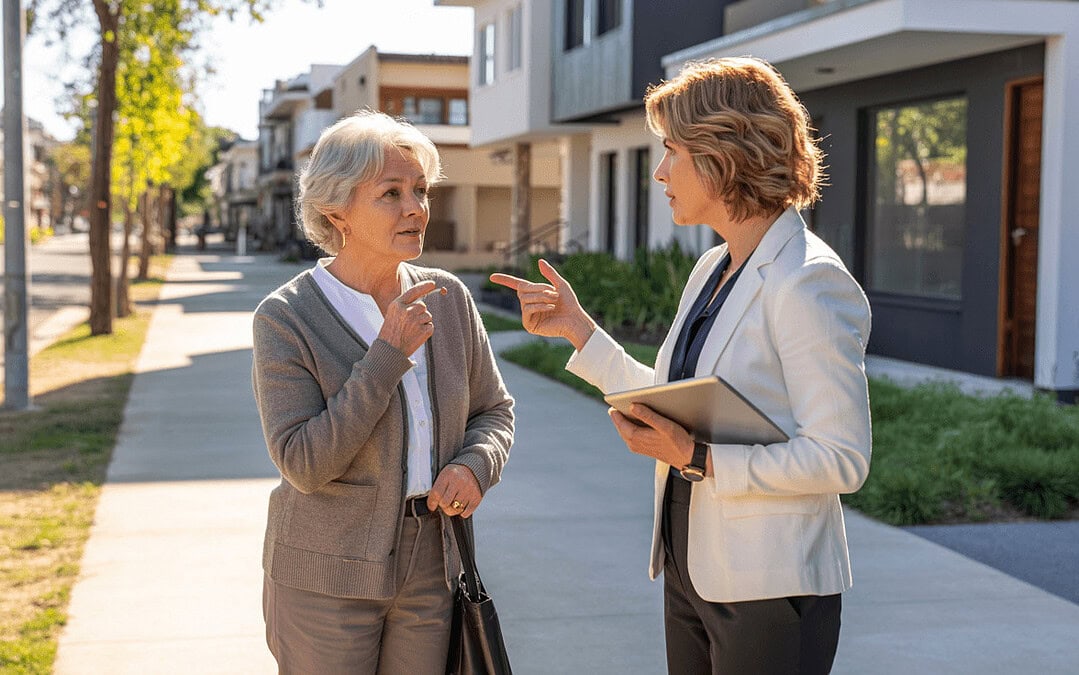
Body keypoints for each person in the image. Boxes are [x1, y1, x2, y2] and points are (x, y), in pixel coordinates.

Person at [491, 57, 871, 674]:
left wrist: (698, 457)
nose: (661, 172)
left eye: (672, 151)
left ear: (724, 154)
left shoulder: (808, 282)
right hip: (692, 565)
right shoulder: (710, 269)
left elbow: (842, 458)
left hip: (770, 589)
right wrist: (578, 330)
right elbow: (679, 400)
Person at [252, 110, 514, 673]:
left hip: (432, 563)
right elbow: (304, 462)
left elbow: (494, 411)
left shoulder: (447, 297)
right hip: (326, 575)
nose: (415, 207)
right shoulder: (286, 318)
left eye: (420, 189)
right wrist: (386, 356)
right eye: (390, 193)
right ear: (335, 210)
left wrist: (474, 466)